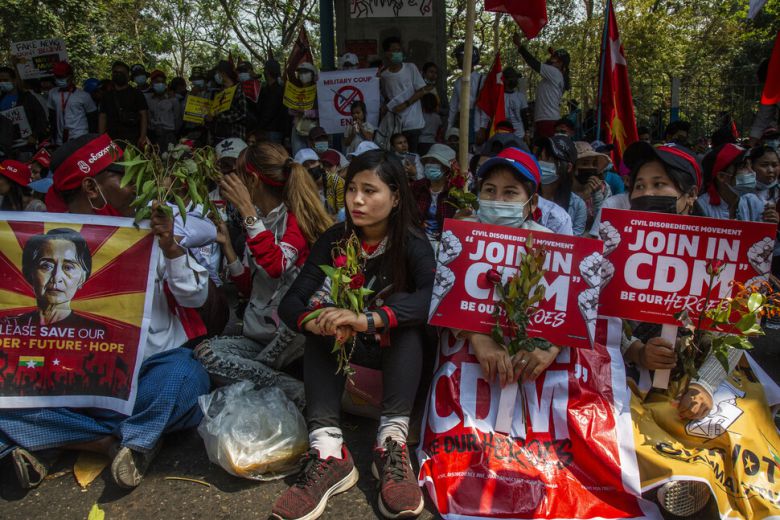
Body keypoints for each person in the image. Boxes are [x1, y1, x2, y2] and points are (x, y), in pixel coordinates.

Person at [0, 133, 210, 490]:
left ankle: (51, 439)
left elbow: (194, 298)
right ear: (92, 188)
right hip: (60, 387)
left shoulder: (148, 232)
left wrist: (171, 247)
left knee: (186, 378)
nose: (137, 187)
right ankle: (122, 442)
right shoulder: (34, 237)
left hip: (146, 380)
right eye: (125, 176)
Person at [272, 149, 434, 520]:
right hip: (347, 373)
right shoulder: (334, 238)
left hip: (399, 375)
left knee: (405, 324)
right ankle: (328, 452)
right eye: (351, 190)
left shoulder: (412, 242)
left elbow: (432, 300)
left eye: (370, 190)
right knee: (322, 323)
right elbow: (291, 302)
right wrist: (314, 320)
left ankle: (391, 443)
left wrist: (371, 319)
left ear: (395, 197)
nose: (357, 200)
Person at [617, 140, 747, 516]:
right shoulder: (615, 247)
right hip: (630, 378)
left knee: (727, 427)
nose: (647, 193)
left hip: (696, 378)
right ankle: (670, 481)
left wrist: (705, 383)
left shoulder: (718, 254)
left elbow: (731, 333)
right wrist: (635, 350)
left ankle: (695, 482)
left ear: (690, 196)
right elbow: (601, 317)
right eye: (639, 186)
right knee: (623, 427)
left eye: (660, 185)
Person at [194, 142, 333, 408]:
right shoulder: (258, 219)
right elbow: (251, 285)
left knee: (302, 316)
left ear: (253, 181)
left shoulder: (294, 219)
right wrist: (228, 248)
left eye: (237, 174)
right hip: (260, 333)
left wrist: (247, 212)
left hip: (292, 335)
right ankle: (294, 390)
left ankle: (265, 379)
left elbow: (276, 264)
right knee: (206, 354)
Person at [697, 143, 779, 224]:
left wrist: (769, 225)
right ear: (722, 176)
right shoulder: (701, 207)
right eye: (743, 166)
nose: (751, 171)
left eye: (749, 165)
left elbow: (761, 235)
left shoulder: (752, 202)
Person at [379, 36, 431, 154]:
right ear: (387, 53)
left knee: (412, 156)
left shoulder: (410, 68)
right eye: (394, 50)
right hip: (395, 125)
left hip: (413, 123)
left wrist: (405, 104)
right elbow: (388, 98)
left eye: (399, 50)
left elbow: (421, 91)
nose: (398, 53)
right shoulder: (384, 76)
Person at [512, 34, 570, 139]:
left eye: (554, 58)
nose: (551, 59)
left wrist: (520, 46)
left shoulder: (554, 73)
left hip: (547, 120)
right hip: (547, 119)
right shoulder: (559, 76)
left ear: (560, 63)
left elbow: (533, 63)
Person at [535, 135, 587, 235]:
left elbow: (573, 244)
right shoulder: (526, 196)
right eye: (540, 157)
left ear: (568, 167)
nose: (541, 163)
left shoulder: (578, 205)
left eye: (549, 159)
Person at [410, 143, 457, 241]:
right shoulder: (417, 186)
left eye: (435, 161)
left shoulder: (455, 192)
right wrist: (417, 224)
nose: (430, 164)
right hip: (419, 239)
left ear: (446, 168)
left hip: (446, 242)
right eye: (428, 161)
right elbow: (407, 212)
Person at [0, 66, 48, 159]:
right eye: (0, 80)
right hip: (6, 149)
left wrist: (34, 136)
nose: (2, 83)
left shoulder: (27, 98)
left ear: (14, 80)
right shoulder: (1, 99)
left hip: (25, 147)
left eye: (5, 80)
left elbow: (41, 118)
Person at [446, 43, 488, 147]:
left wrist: (482, 128)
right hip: (461, 121)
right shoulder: (458, 82)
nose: (458, 61)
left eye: (459, 58)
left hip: (476, 121)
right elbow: (453, 107)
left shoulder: (482, 80)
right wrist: (449, 128)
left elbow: (485, 106)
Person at [99, 61, 148, 148]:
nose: (118, 75)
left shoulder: (136, 93)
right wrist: (101, 138)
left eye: (121, 73)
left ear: (128, 76)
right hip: (112, 140)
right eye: (115, 72)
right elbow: (103, 117)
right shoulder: (107, 95)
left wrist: (143, 136)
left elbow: (144, 115)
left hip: (133, 139)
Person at [47, 62, 97, 146]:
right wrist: (53, 137)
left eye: (62, 77)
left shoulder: (84, 96)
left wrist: (92, 140)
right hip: (61, 141)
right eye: (57, 77)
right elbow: (52, 117)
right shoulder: (52, 93)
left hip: (80, 139)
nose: (59, 80)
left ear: (71, 76)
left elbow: (93, 119)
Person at [573, 141, 612, 230]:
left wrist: (597, 195)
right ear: (573, 167)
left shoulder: (604, 189)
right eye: (585, 163)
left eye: (594, 163)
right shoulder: (563, 189)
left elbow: (605, 225)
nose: (591, 167)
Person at [208, 60, 247, 143]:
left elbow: (242, 113)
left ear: (223, 73)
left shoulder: (238, 89)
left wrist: (219, 117)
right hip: (218, 136)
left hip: (235, 136)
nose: (216, 76)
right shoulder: (219, 91)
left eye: (217, 73)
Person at [146, 70, 182, 152]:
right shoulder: (148, 100)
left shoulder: (173, 100)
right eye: (157, 82)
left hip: (170, 136)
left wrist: (172, 133)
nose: (160, 84)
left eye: (162, 82)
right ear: (152, 84)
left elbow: (178, 119)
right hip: (154, 136)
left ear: (165, 84)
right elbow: (148, 118)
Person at [256, 57, 286, 144]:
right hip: (268, 130)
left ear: (268, 72)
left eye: (265, 70)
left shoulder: (278, 90)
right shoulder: (266, 89)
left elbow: (269, 111)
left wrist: (258, 127)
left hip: (273, 131)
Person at [502, 67, 529, 142]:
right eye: (512, 78)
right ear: (505, 80)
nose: (515, 80)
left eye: (515, 78)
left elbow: (524, 116)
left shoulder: (520, 96)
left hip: (520, 134)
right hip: (504, 134)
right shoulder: (499, 96)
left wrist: (527, 133)